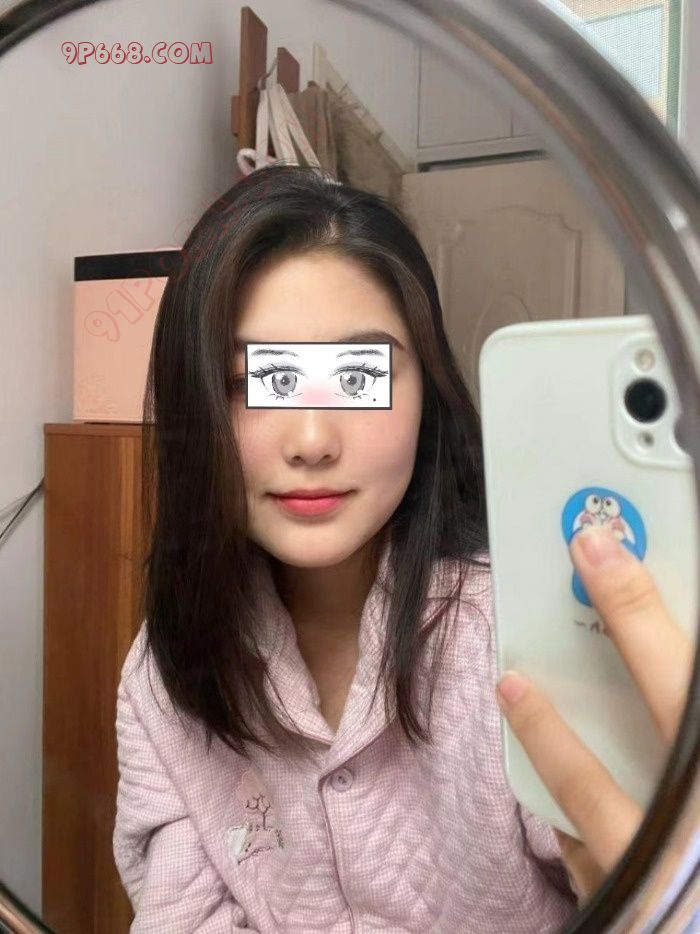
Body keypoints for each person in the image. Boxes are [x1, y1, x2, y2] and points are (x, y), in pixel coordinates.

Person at [112, 163, 693, 932]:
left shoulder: (518, 641)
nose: (312, 440)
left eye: (358, 377)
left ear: (429, 389)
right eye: (257, 383)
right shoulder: (164, 676)